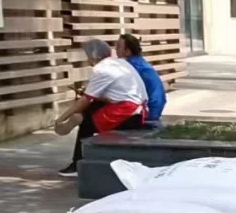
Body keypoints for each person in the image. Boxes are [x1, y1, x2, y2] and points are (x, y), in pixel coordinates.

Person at [54, 39, 146, 176]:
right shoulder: (119, 63)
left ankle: (77, 164)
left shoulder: (101, 69)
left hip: (127, 114)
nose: (87, 60)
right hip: (138, 111)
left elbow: (85, 99)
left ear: (94, 56)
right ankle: (79, 118)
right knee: (94, 106)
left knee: (86, 124)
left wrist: (60, 118)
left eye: (87, 56)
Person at [116, 33, 166, 123]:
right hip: (155, 109)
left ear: (127, 51)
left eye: (118, 47)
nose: (115, 50)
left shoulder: (132, 66)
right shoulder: (140, 62)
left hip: (148, 113)